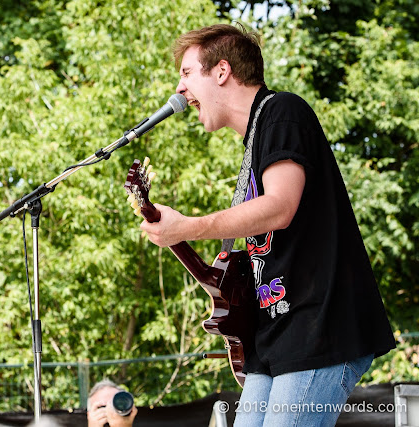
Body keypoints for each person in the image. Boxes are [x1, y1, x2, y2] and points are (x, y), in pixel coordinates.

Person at [139, 23, 396, 426]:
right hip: (273, 333)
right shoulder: (256, 142)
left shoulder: (282, 112)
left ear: (221, 71)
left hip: (318, 326)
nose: (179, 89)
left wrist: (188, 226)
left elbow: (280, 206)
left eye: (187, 73)